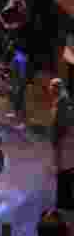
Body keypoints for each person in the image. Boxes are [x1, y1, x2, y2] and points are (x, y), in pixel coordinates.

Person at [50, 78, 74, 210]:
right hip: (64, 142)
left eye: (51, 87)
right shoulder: (63, 100)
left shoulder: (62, 102)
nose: (50, 90)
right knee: (64, 171)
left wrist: (56, 142)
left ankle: (64, 202)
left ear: (56, 87)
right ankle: (65, 200)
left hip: (63, 143)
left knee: (63, 172)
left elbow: (61, 125)